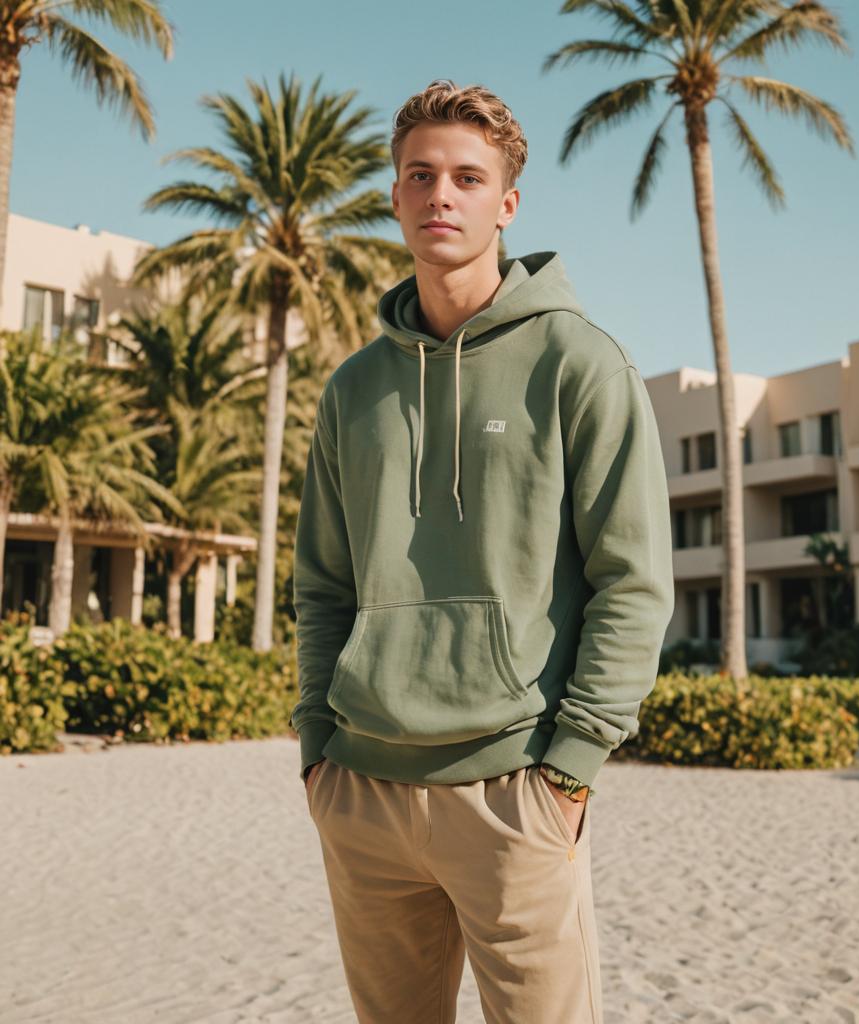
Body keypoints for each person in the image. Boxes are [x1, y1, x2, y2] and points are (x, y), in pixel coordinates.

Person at [290, 78, 675, 1024]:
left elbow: (635, 583)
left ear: (507, 204)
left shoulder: (581, 362)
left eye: (467, 177)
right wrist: (315, 747)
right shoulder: (353, 390)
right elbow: (324, 583)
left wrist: (572, 767)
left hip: (517, 789)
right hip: (363, 790)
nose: (440, 196)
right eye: (420, 175)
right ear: (395, 195)